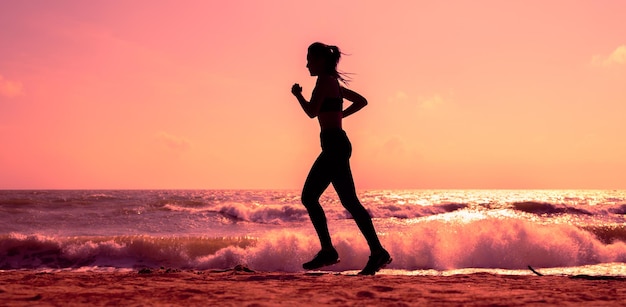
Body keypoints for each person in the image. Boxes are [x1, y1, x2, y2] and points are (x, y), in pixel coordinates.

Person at [291, 42, 391, 275]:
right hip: (337, 143)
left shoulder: (324, 81)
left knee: (309, 197)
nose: (306, 64)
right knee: (350, 202)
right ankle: (377, 252)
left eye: (309, 59)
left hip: (334, 146)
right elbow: (361, 101)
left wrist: (298, 95)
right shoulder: (333, 82)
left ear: (320, 61)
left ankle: (329, 250)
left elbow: (311, 111)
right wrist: (340, 115)